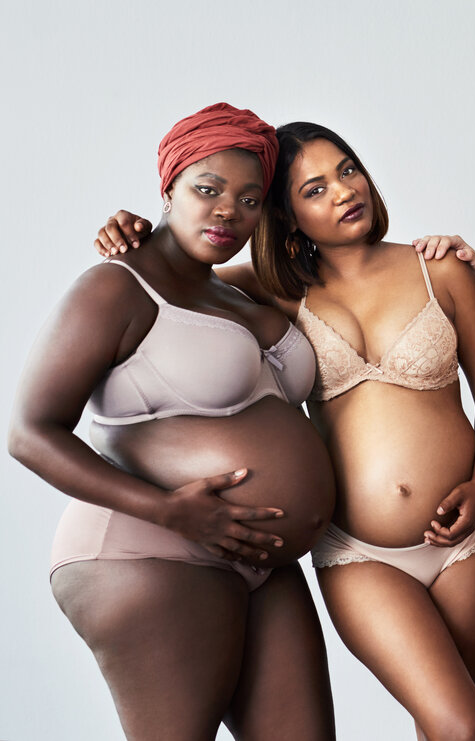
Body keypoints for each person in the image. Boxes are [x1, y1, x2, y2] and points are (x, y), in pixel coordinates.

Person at [94, 122, 475, 739]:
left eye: (347, 170)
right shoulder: (275, 293)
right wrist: (135, 231)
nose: (344, 191)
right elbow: (175, 279)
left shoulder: (439, 268)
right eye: (314, 189)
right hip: (361, 553)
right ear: (286, 219)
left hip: (468, 538)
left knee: (448, 727)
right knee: (463, 724)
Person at [10, 103, 337, 740]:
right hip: (153, 545)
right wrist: (170, 512)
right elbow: (29, 432)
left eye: (248, 199)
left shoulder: (239, 289)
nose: (226, 212)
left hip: (257, 557)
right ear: (168, 188)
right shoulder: (117, 286)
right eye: (206, 189)